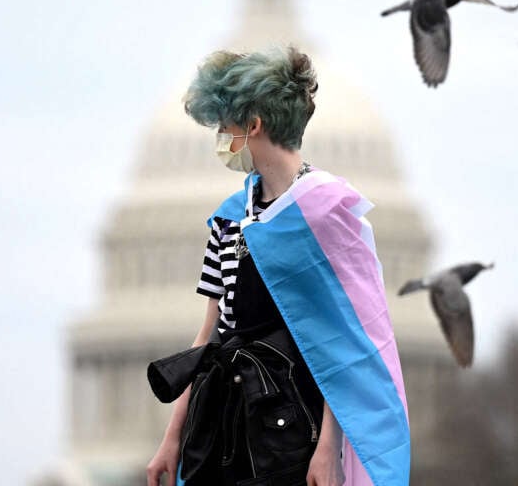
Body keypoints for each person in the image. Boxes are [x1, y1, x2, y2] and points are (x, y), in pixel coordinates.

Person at [145, 47, 411, 486]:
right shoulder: (229, 219)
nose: (220, 138)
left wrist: (328, 448)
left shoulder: (326, 214)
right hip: (223, 429)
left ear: (253, 126)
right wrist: (173, 437)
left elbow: (344, 346)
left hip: (290, 434)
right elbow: (207, 338)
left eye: (224, 126)